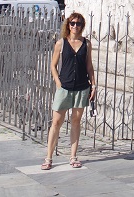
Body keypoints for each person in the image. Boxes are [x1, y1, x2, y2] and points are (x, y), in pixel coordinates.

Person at [41, 12, 96, 170]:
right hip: (64, 87)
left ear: (82, 26)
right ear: (68, 25)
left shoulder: (87, 43)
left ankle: (73, 157)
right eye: (72, 23)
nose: (75, 26)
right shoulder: (61, 43)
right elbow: (53, 65)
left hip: (81, 87)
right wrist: (58, 83)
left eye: (78, 24)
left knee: (76, 122)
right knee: (56, 122)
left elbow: (89, 66)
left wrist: (94, 85)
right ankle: (48, 157)